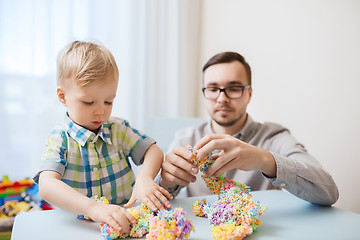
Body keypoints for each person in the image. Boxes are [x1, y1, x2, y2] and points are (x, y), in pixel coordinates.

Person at [159, 51, 339, 206]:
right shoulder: (185, 139)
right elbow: (155, 198)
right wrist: (166, 181)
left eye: (234, 88)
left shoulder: (273, 137)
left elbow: (328, 191)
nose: (222, 98)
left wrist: (264, 160)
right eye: (213, 89)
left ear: (249, 94)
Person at [33, 41, 172, 234]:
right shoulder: (60, 138)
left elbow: (153, 150)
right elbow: (47, 185)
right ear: (63, 96)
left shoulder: (118, 129)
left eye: (109, 101)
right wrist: (93, 208)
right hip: (79, 228)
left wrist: (145, 178)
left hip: (126, 221)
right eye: (88, 102)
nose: (100, 111)